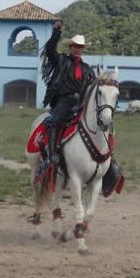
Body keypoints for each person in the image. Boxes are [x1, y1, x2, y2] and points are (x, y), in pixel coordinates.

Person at [39, 21, 96, 171]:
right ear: (70, 47)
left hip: (82, 103)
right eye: (75, 46)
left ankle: (105, 161)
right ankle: (52, 156)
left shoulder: (88, 69)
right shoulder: (61, 61)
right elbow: (50, 51)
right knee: (55, 121)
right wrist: (56, 33)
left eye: (80, 47)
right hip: (64, 100)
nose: (78, 49)